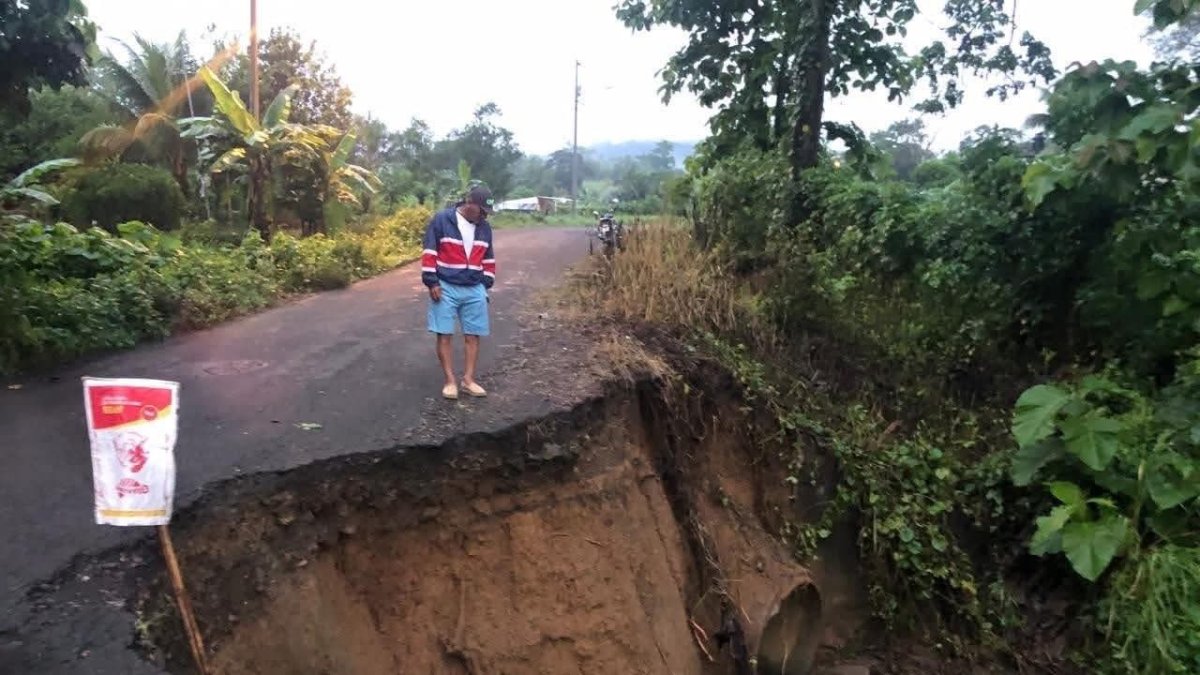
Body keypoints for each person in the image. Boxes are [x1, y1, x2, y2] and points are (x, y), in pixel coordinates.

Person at [421, 185, 497, 400]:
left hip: (474, 287)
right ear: (469, 202)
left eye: (486, 212)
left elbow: (489, 257)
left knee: (473, 334)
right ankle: (450, 381)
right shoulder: (442, 220)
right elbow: (429, 251)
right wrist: (431, 281)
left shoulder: (485, 227)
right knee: (444, 333)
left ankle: (468, 380)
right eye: (481, 210)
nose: (483, 215)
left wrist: (486, 282)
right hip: (445, 285)